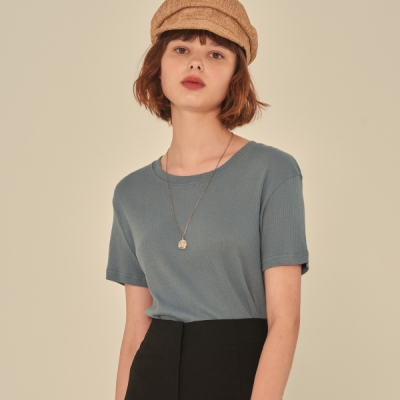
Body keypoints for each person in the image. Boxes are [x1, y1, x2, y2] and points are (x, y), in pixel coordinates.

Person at [105, 1, 309, 399]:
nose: (195, 63)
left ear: (235, 76)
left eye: (216, 54)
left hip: (235, 372)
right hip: (151, 377)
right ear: (158, 66)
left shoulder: (273, 172)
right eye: (181, 49)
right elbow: (135, 330)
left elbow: (285, 321)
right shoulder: (131, 193)